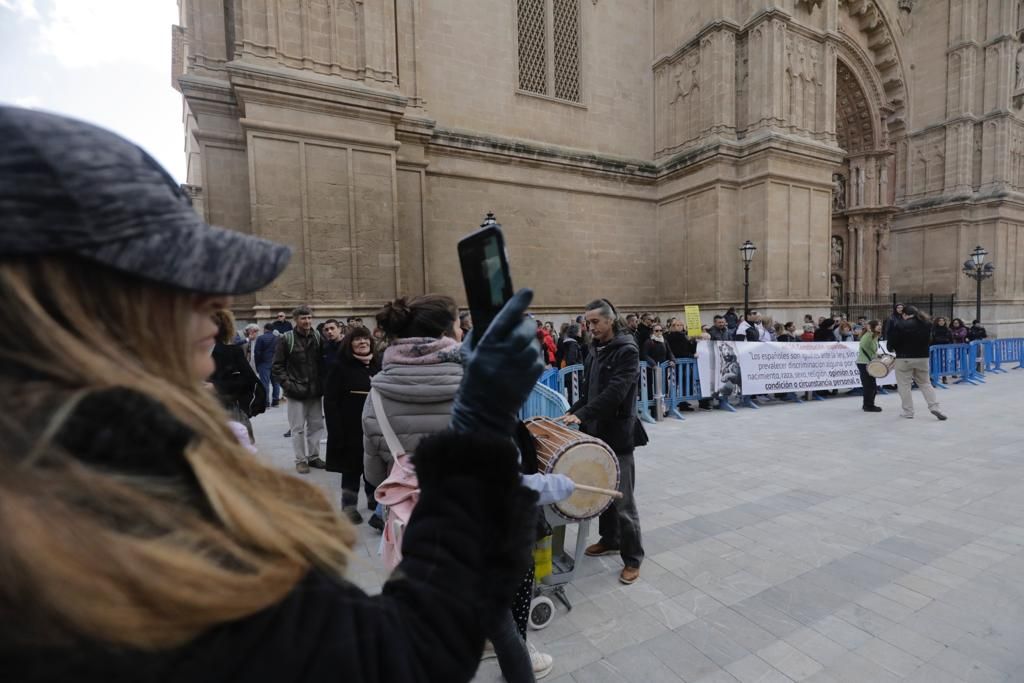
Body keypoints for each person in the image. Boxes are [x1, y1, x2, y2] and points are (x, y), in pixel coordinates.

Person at [0, 105, 545, 682]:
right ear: (74, 306)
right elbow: (399, 658)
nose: (218, 299)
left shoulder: (94, 469)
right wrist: (483, 420)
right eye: (177, 274)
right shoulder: (123, 515)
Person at [362, 294, 465, 530]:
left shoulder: (376, 395)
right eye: (459, 326)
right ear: (446, 334)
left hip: (409, 522)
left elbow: (374, 475)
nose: (462, 333)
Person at [564, 299, 645, 585]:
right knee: (602, 492)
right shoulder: (594, 349)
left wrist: (583, 413)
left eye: (595, 322)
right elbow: (589, 392)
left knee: (623, 500)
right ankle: (610, 539)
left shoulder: (627, 350)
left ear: (611, 320)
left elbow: (615, 393)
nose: (590, 327)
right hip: (596, 432)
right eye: (587, 322)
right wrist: (573, 411)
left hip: (619, 434)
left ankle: (633, 558)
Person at [325, 327, 380, 524]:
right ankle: (349, 506)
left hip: (376, 426)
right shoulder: (340, 367)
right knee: (351, 467)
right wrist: (336, 430)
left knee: (374, 465)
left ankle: (374, 499)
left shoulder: (378, 364)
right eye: (357, 340)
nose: (363, 342)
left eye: (366, 339)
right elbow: (330, 401)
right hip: (350, 426)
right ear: (350, 344)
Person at [272, 305, 326, 473]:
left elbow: (323, 362)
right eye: (303, 318)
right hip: (296, 391)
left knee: (316, 426)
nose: (307, 321)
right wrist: (288, 385)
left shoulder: (318, 336)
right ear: (295, 320)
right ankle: (301, 460)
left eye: (309, 317)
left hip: (315, 390)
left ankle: (314, 457)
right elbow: (277, 366)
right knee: (297, 428)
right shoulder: (286, 338)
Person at [209, 309, 264, 443]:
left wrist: (216, 386)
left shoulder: (231, 352)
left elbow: (250, 381)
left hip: (226, 412)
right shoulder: (185, 354)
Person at [887, 305, 947, 420]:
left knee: (904, 385)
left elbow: (892, 341)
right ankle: (935, 407)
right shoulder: (927, 324)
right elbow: (930, 340)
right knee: (925, 383)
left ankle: (908, 411)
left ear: (904, 314)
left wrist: (891, 348)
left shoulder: (899, 324)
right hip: (922, 357)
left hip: (903, 358)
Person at [856, 320, 883, 412]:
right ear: (872, 327)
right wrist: (869, 331)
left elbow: (871, 350)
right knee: (869, 386)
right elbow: (864, 345)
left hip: (869, 363)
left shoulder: (874, 336)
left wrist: (877, 355)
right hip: (864, 363)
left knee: (872, 386)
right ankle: (868, 405)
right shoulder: (868, 336)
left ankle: (869, 404)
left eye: (880, 325)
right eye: (877, 325)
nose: (880, 326)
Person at [253, 323, 281, 407]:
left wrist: (257, 364)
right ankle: (275, 401)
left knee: (265, 383)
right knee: (276, 383)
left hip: (264, 363)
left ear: (265, 329)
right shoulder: (277, 338)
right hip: (275, 363)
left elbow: (257, 352)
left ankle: (266, 402)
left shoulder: (261, 338)